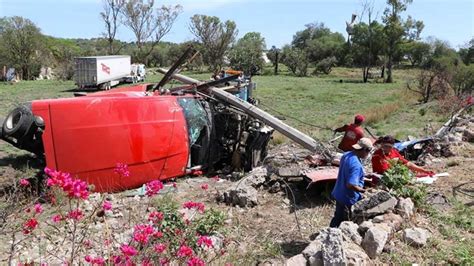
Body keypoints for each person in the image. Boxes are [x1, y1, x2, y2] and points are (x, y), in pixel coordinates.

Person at [330, 138, 374, 227]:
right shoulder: (356, 165)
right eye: (368, 151)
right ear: (365, 150)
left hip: (339, 192)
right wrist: (363, 191)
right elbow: (350, 185)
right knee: (344, 222)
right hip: (348, 198)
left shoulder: (347, 155)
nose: (368, 154)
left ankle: (328, 234)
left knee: (337, 217)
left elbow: (347, 172)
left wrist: (362, 175)